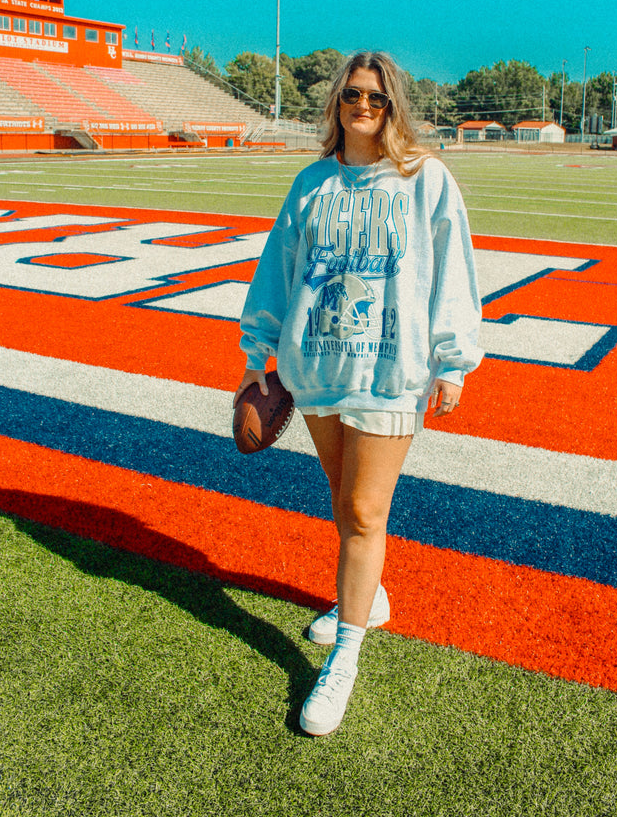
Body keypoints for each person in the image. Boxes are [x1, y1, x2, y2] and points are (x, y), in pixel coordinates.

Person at [234, 51, 483, 735]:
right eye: (351, 95)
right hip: (315, 367)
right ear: (336, 103)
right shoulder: (312, 182)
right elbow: (279, 271)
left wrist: (453, 359)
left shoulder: (423, 179)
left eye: (375, 96)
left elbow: (452, 269)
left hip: (390, 368)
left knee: (366, 510)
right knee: (345, 499)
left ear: (393, 103)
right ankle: (366, 601)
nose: (363, 105)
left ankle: (344, 655)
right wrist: (260, 350)